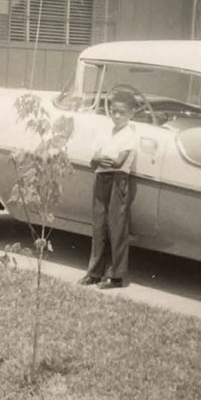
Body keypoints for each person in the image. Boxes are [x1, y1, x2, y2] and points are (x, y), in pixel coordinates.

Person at [79, 90, 139, 289]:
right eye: (114, 112)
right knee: (99, 227)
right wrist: (98, 159)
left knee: (117, 227)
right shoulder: (104, 132)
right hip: (101, 180)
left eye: (122, 113)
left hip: (118, 182)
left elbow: (118, 161)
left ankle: (116, 276)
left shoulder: (131, 135)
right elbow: (94, 161)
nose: (117, 116)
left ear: (132, 113)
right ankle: (94, 272)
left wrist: (101, 159)